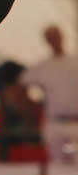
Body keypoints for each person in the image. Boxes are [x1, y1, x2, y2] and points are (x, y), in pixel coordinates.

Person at [22, 24, 78, 162]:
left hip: (75, 121)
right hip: (54, 122)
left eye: (56, 36)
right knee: (57, 167)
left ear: (62, 37)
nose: (54, 40)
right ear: (47, 41)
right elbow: (21, 85)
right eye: (50, 38)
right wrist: (31, 108)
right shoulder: (43, 66)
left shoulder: (74, 62)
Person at [0, 59, 43, 161]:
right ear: (2, 92)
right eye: (17, 89)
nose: (24, 96)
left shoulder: (43, 114)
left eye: (25, 90)